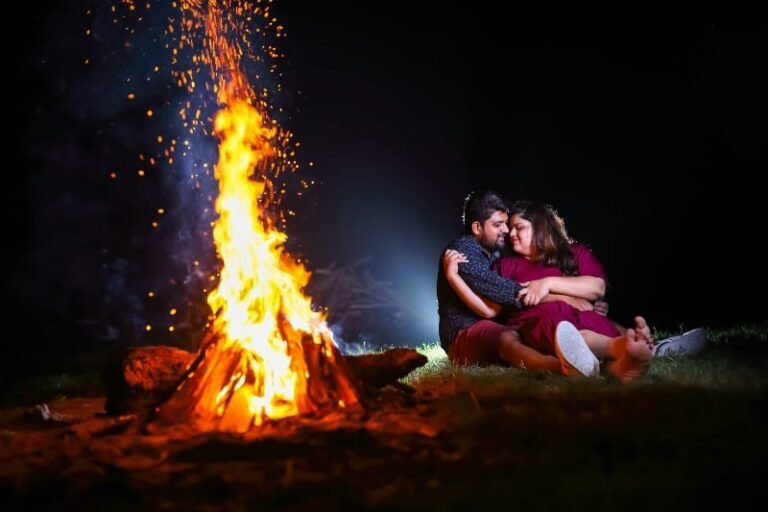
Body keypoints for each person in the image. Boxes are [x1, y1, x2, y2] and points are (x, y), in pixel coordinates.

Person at [444, 200, 654, 382]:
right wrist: (559, 297)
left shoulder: (575, 253)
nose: (511, 234)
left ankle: (624, 363)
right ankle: (619, 350)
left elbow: (596, 287)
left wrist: (548, 283)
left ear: (540, 227)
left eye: (519, 227)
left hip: (583, 317)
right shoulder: (505, 265)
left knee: (590, 323)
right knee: (560, 327)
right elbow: (498, 305)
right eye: (510, 228)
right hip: (539, 324)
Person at [437, 191, 601, 377]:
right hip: (462, 333)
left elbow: (494, 309)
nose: (506, 230)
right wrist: (561, 297)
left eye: (505, 224)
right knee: (508, 337)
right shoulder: (462, 251)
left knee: (529, 332)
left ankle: (593, 357)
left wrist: (584, 302)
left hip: (488, 325)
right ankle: (562, 368)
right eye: (498, 225)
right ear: (477, 227)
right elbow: (502, 290)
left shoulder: (493, 252)